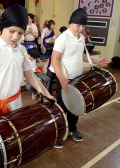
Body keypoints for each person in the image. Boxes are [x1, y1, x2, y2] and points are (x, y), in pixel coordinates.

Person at [0, 4, 53, 167]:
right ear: (2, 27)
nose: (15, 37)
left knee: (11, 148)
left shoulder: (21, 50)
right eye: (12, 31)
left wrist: (44, 91)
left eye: (20, 33)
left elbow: (30, 76)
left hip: (15, 108)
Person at [51, 8, 111, 148]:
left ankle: (72, 129)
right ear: (70, 23)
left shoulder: (81, 38)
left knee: (75, 107)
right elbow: (55, 58)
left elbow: (80, 55)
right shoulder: (63, 38)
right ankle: (59, 134)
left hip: (77, 79)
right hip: (64, 79)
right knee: (62, 108)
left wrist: (96, 61)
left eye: (83, 26)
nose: (80, 28)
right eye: (78, 25)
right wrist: (61, 78)